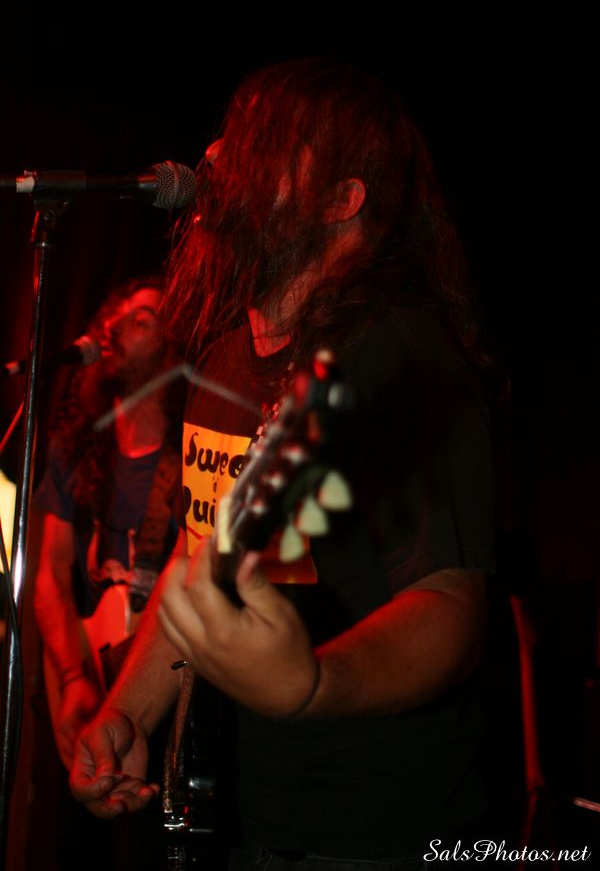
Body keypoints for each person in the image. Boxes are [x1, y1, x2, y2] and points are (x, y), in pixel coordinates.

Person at [69, 59, 496, 870]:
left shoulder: (401, 363)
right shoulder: (224, 366)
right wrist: (126, 715)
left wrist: (313, 684)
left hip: (384, 835)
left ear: (342, 199)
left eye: (261, 142)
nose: (215, 154)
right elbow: (197, 565)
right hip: (253, 823)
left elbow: (449, 606)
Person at [33, 277, 183, 869]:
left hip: (161, 701)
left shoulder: (188, 453)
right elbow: (49, 575)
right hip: (84, 689)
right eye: (120, 316)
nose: (120, 328)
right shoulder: (75, 447)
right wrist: (74, 677)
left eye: (144, 319)